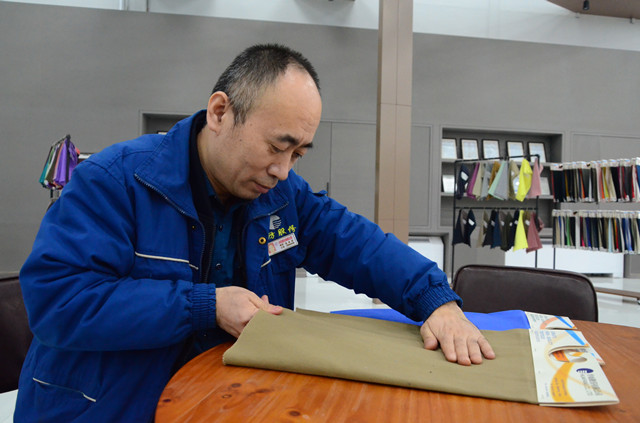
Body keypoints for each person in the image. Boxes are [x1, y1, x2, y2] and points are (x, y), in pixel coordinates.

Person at [16, 44, 494, 422]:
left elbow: (357, 244)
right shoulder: (114, 181)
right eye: (276, 147)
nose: (283, 170)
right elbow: (59, 302)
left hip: (221, 400)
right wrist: (206, 305)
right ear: (220, 112)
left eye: (298, 154)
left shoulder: (283, 196)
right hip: (106, 407)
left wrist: (435, 300)